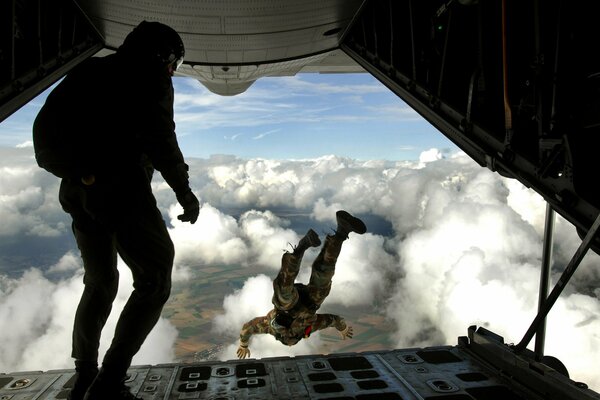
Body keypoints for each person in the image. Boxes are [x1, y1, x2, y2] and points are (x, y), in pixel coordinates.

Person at [32, 21, 199, 400]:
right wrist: (185, 193)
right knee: (155, 278)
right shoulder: (151, 77)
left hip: (78, 195)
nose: (173, 70)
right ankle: (109, 382)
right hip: (122, 192)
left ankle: (85, 374)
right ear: (163, 56)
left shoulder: (87, 71)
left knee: (101, 281)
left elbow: (43, 142)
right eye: (174, 63)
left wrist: (82, 174)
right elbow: (162, 142)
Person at [236, 210, 366, 359]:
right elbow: (333, 320)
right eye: (293, 338)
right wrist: (342, 328)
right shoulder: (311, 326)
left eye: (283, 331)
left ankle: (301, 248)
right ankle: (342, 231)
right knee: (323, 274)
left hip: (286, 306)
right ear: (302, 334)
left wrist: (243, 344)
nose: (289, 334)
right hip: (310, 302)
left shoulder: (269, 327)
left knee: (284, 294)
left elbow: (248, 327)